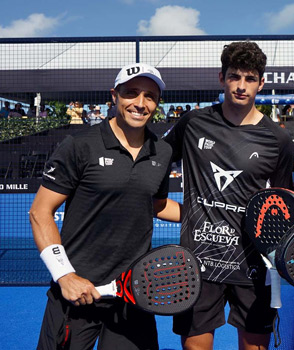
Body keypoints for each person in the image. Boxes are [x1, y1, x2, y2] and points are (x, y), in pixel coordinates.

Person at [30, 63, 181, 350]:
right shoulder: (80, 144)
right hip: (75, 293)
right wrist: (65, 276)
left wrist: (203, 216)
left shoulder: (162, 151)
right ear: (115, 96)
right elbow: (40, 212)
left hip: (133, 294)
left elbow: (157, 206)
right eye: (131, 93)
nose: (140, 103)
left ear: (158, 103)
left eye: (149, 96)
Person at [164, 41, 294, 350]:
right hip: (197, 264)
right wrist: (187, 213)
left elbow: (284, 203)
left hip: (251, 264)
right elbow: (153, 165)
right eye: (235, 76)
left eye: (250, 79)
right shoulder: (193, 123)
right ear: (221, 77)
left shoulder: (278, 139)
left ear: (261, 83)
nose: (241, 86)